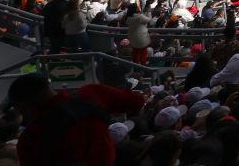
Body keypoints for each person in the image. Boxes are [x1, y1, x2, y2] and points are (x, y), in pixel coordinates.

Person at [9, 71, 145, 166]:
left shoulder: (30, 138)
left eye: (21, 109)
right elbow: (137, 101)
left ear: (26, 104)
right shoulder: (91, 93)